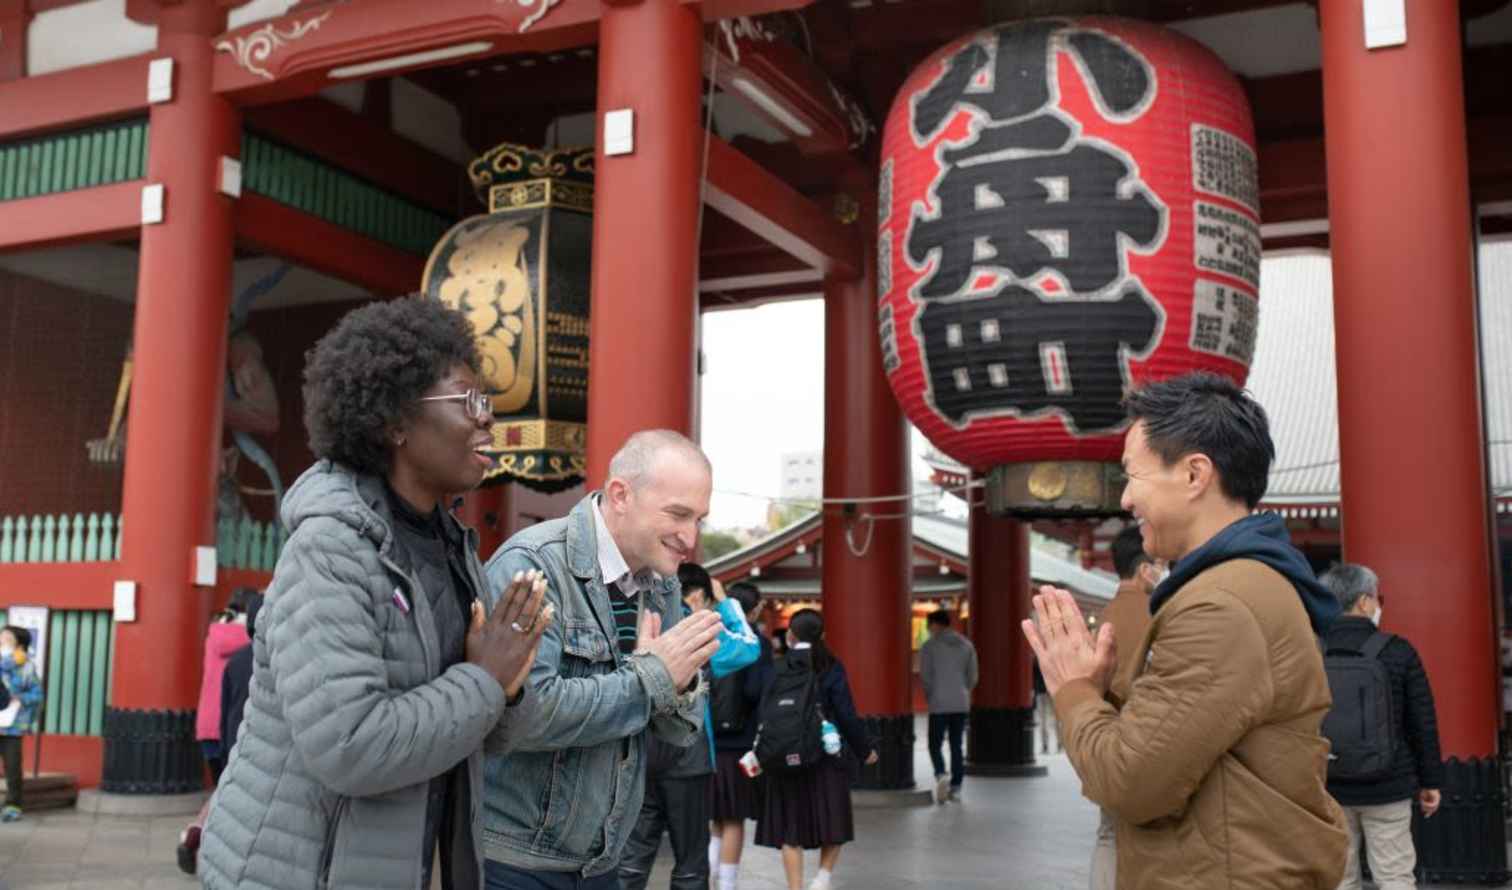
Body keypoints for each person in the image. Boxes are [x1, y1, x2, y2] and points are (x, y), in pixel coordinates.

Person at [198, 297, 554, 890]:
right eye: (469, 402)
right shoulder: (331, 550)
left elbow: (485, 734)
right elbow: (349, 747)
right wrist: (486, 679)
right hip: (296, 870)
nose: (488, 419)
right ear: (395, 421)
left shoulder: (452, 547)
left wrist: (511, 686)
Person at [1021, 371, 1350, 889]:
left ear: (1196, 474)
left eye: (1134, 475)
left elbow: (1131, 783)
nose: (1126, 500)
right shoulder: (1235, 587)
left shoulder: (1221, 605)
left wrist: (1075, 691)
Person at [480, 429, 726, 890]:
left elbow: (678, 732)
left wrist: (682, 684)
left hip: (604, 858)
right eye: (678, 514)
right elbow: (521, 719)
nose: (690, 537)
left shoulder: (663, 585)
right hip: (516, 859)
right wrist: (654, 677)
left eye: (699, 520)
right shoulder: (533, 565)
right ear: (620, 495)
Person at [619, 564, 760, 890]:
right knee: (691, 862)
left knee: (632, 859)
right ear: (697, 595)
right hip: (688, 754)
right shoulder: (696, 629)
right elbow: (748, 646)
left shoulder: (639, 618)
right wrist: (725, 602)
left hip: (639, 750)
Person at [1320, 563, 1443, 890]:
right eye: (1377, 598)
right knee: (1394, 876)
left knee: (1340, 878)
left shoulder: (1310, 650)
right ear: (1363, 601)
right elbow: (1421, 721)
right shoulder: (1397, 651)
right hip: (1388, 784)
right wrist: (1430, 781)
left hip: (1328, 785)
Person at [755, 609, 877, 890]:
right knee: (834, 820)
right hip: (825, 755)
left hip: (784, 755)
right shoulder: (832, 666)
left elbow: (764, 711)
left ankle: (795, 887)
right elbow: (846, 714)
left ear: (790, 636)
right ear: (822, 636)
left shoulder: (777, 668)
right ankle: (821, 880)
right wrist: (864, 749)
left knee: (789, 828)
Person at [1087, 524, 1161, 890]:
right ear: (1145, 569)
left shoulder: (1101, 618)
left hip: (1104, 739)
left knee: (1108, 833)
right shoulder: (1160, 614)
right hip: (1151, 740)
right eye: (1159, 565)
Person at [708, 580, 773, 890]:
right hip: (741, 741)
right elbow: (756, 690)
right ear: (755, 608)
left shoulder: (711, 634)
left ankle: (707, 875)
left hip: (707, 741)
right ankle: (727, 884)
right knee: (734, 817)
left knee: (714, 817)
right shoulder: (755, 643)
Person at [195, 588, 253, 785]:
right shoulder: (254, 642)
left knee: (219, 791)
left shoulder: (212, 636)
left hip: (208, 725)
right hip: (234, 725)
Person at [919, 609, 977, 805]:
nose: (929, 629)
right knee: (956, 745)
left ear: (936, 625)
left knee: (934, 743)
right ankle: (956, 787)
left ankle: (941, 773)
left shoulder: (929, 646)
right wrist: (963, 691)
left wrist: (931, 695)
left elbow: (926, 677)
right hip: (960, 702)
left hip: (939, 702)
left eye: (929, 625)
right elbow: (973, 676)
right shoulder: (966, 645)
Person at [0, 626, 43, 824]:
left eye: (7, 637)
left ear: (19, 644)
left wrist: (20, 698)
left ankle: (13, 805)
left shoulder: (27, 667)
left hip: (13, 726)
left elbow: (37, 695)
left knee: (13, 768)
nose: (1, 639)